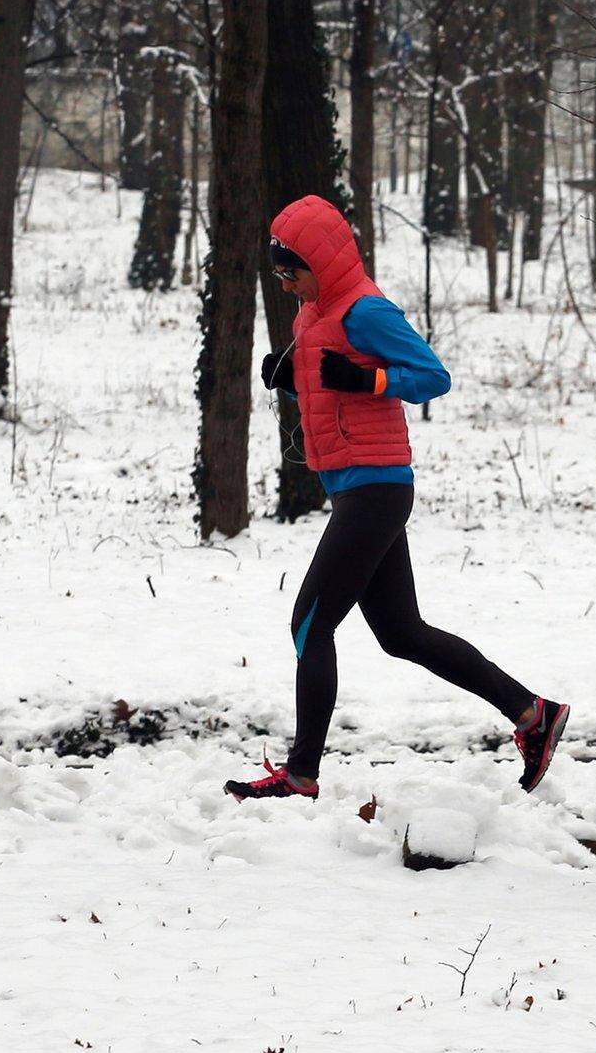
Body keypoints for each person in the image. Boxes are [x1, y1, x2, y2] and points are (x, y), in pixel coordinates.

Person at [224, 195, 569, 802]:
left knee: (310, 623)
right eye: (277, 272)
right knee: (403, 633)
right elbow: (332, 377)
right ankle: (532, 714)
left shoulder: (367, 310)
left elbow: (433, 376)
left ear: (322, 263)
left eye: (292, 270)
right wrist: (291, 375)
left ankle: (301, 774)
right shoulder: (314, 311)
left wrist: (370, 379)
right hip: (354, 488)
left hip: (376, 487)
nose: (284, 283)